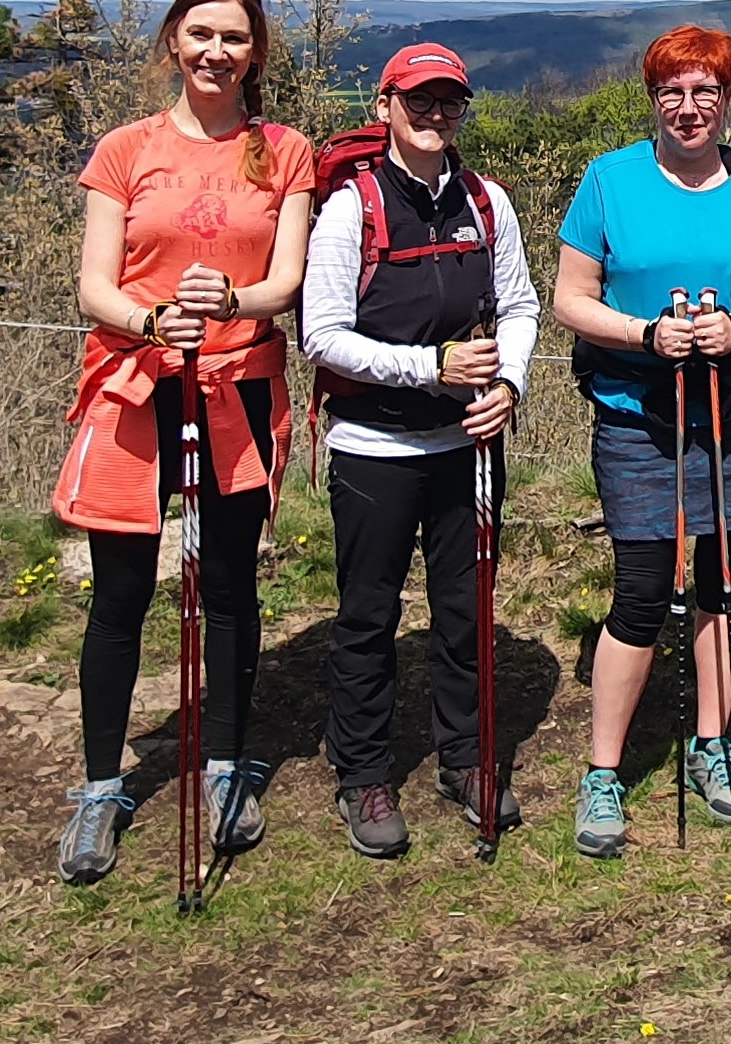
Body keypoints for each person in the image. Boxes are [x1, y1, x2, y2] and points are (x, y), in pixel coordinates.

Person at [51, 0, 315, 884]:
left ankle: (227, 765)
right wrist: (150, 319)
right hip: (136, 380)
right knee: (120, 591)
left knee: (231, 586)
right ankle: (99, 788)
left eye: (234, 38)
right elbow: (93, 280)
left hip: (238, 382)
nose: (216, 52)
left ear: (256, 52)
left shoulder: (283, 151)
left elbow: (287, 281)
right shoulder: (125, 148)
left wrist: (231, 299)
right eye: (201, 33)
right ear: (173, 40)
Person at [550, 25, 731, 859]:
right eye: (673, 90)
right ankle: (604, 771)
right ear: (653, 99)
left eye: (706, 90)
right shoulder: (611, 180)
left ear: (728, 98)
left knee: (726, 581)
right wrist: (641, 334)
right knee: (639, 589)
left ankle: (712, 743)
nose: (690, 106)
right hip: (641, 411)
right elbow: (570, 296)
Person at [299, 44, 540, 859]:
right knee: (368, 614)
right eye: (419, 101)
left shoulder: (486, 201)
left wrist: (508, 385)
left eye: (448, 103)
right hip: (374, 444)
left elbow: (519, 304)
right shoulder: (350, 208)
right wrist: (429, 367)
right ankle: (363, 772)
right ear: (386, 106)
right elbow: (321, 335)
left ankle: (466, 758)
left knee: (466, 612)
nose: (435, 116)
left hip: (466, 442)